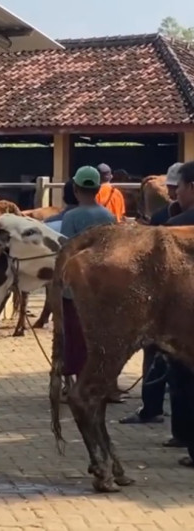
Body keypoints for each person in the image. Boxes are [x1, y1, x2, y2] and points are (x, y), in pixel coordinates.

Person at [119, 162, 183, 426]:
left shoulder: (170, 221)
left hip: (177, 299)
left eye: (174, 188)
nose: (171, 192)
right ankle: (152, 406)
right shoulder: (161, 218)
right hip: (165, 297)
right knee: (156, 353)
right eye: (170, 188)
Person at [58, 166, 117, 388]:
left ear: (75, 189)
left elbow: (65, 249)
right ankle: (104, 381)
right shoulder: (108, 216)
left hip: (74, 287)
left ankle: (73, 383)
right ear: (98, 188)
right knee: (100, 334)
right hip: (102, 286)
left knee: (74, 334)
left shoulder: (71, 216)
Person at [159, 161, 194, 467]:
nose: (177, 193)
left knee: (183, 379)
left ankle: (185, 436)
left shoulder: (176, 228)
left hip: (185, 317)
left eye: (179, 187)